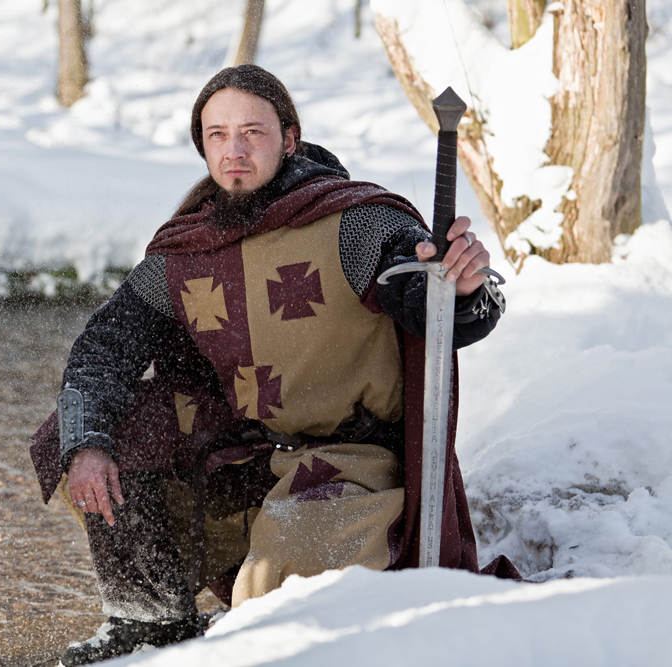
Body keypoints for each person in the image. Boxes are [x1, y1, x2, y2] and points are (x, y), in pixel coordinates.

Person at [30, 65, 509, 666]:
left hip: (351, 463)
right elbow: (104, 350)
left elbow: (427, 302)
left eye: (252, 132)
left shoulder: (355, 223)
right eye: (216, 135)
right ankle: (147, 624)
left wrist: (460, 287)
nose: (234, 151)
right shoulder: (186, 250)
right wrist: (88, 446)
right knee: (94, 436)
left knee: (273, 603)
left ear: (290, 137)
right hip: (250, 455)